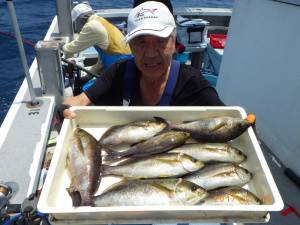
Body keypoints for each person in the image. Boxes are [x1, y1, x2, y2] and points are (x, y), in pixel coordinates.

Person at [58, 1, 224, 120]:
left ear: (174, 43)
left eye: (160, 41)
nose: (151, 53)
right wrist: (65, 109)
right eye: (141, 42)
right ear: (130, 46)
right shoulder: (120, 71)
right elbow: (79, 100)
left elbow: (227, 118)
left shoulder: (192, 82)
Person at [62, 2, 132, 75]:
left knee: (88, 87)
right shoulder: (100, 21)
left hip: (121, 68)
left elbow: (71, 48)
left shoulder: (91, 26)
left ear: (79, 20)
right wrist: (89, 75)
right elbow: (102, 59)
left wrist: (61, 47)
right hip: (127, 63)